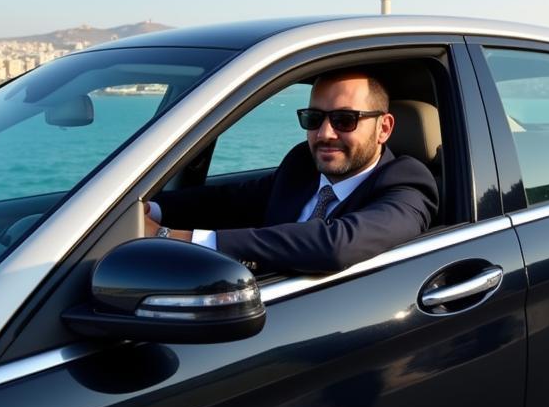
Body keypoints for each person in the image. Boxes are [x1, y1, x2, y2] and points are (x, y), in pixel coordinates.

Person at [144, 70, 439, 274]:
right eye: (314, 118)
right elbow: (230, 200)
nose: (325, 133)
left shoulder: (407, 185)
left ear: (384, 128)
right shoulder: (302, 165)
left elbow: (334, 245)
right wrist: (148, 210)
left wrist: (171, 237)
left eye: (345, 120)